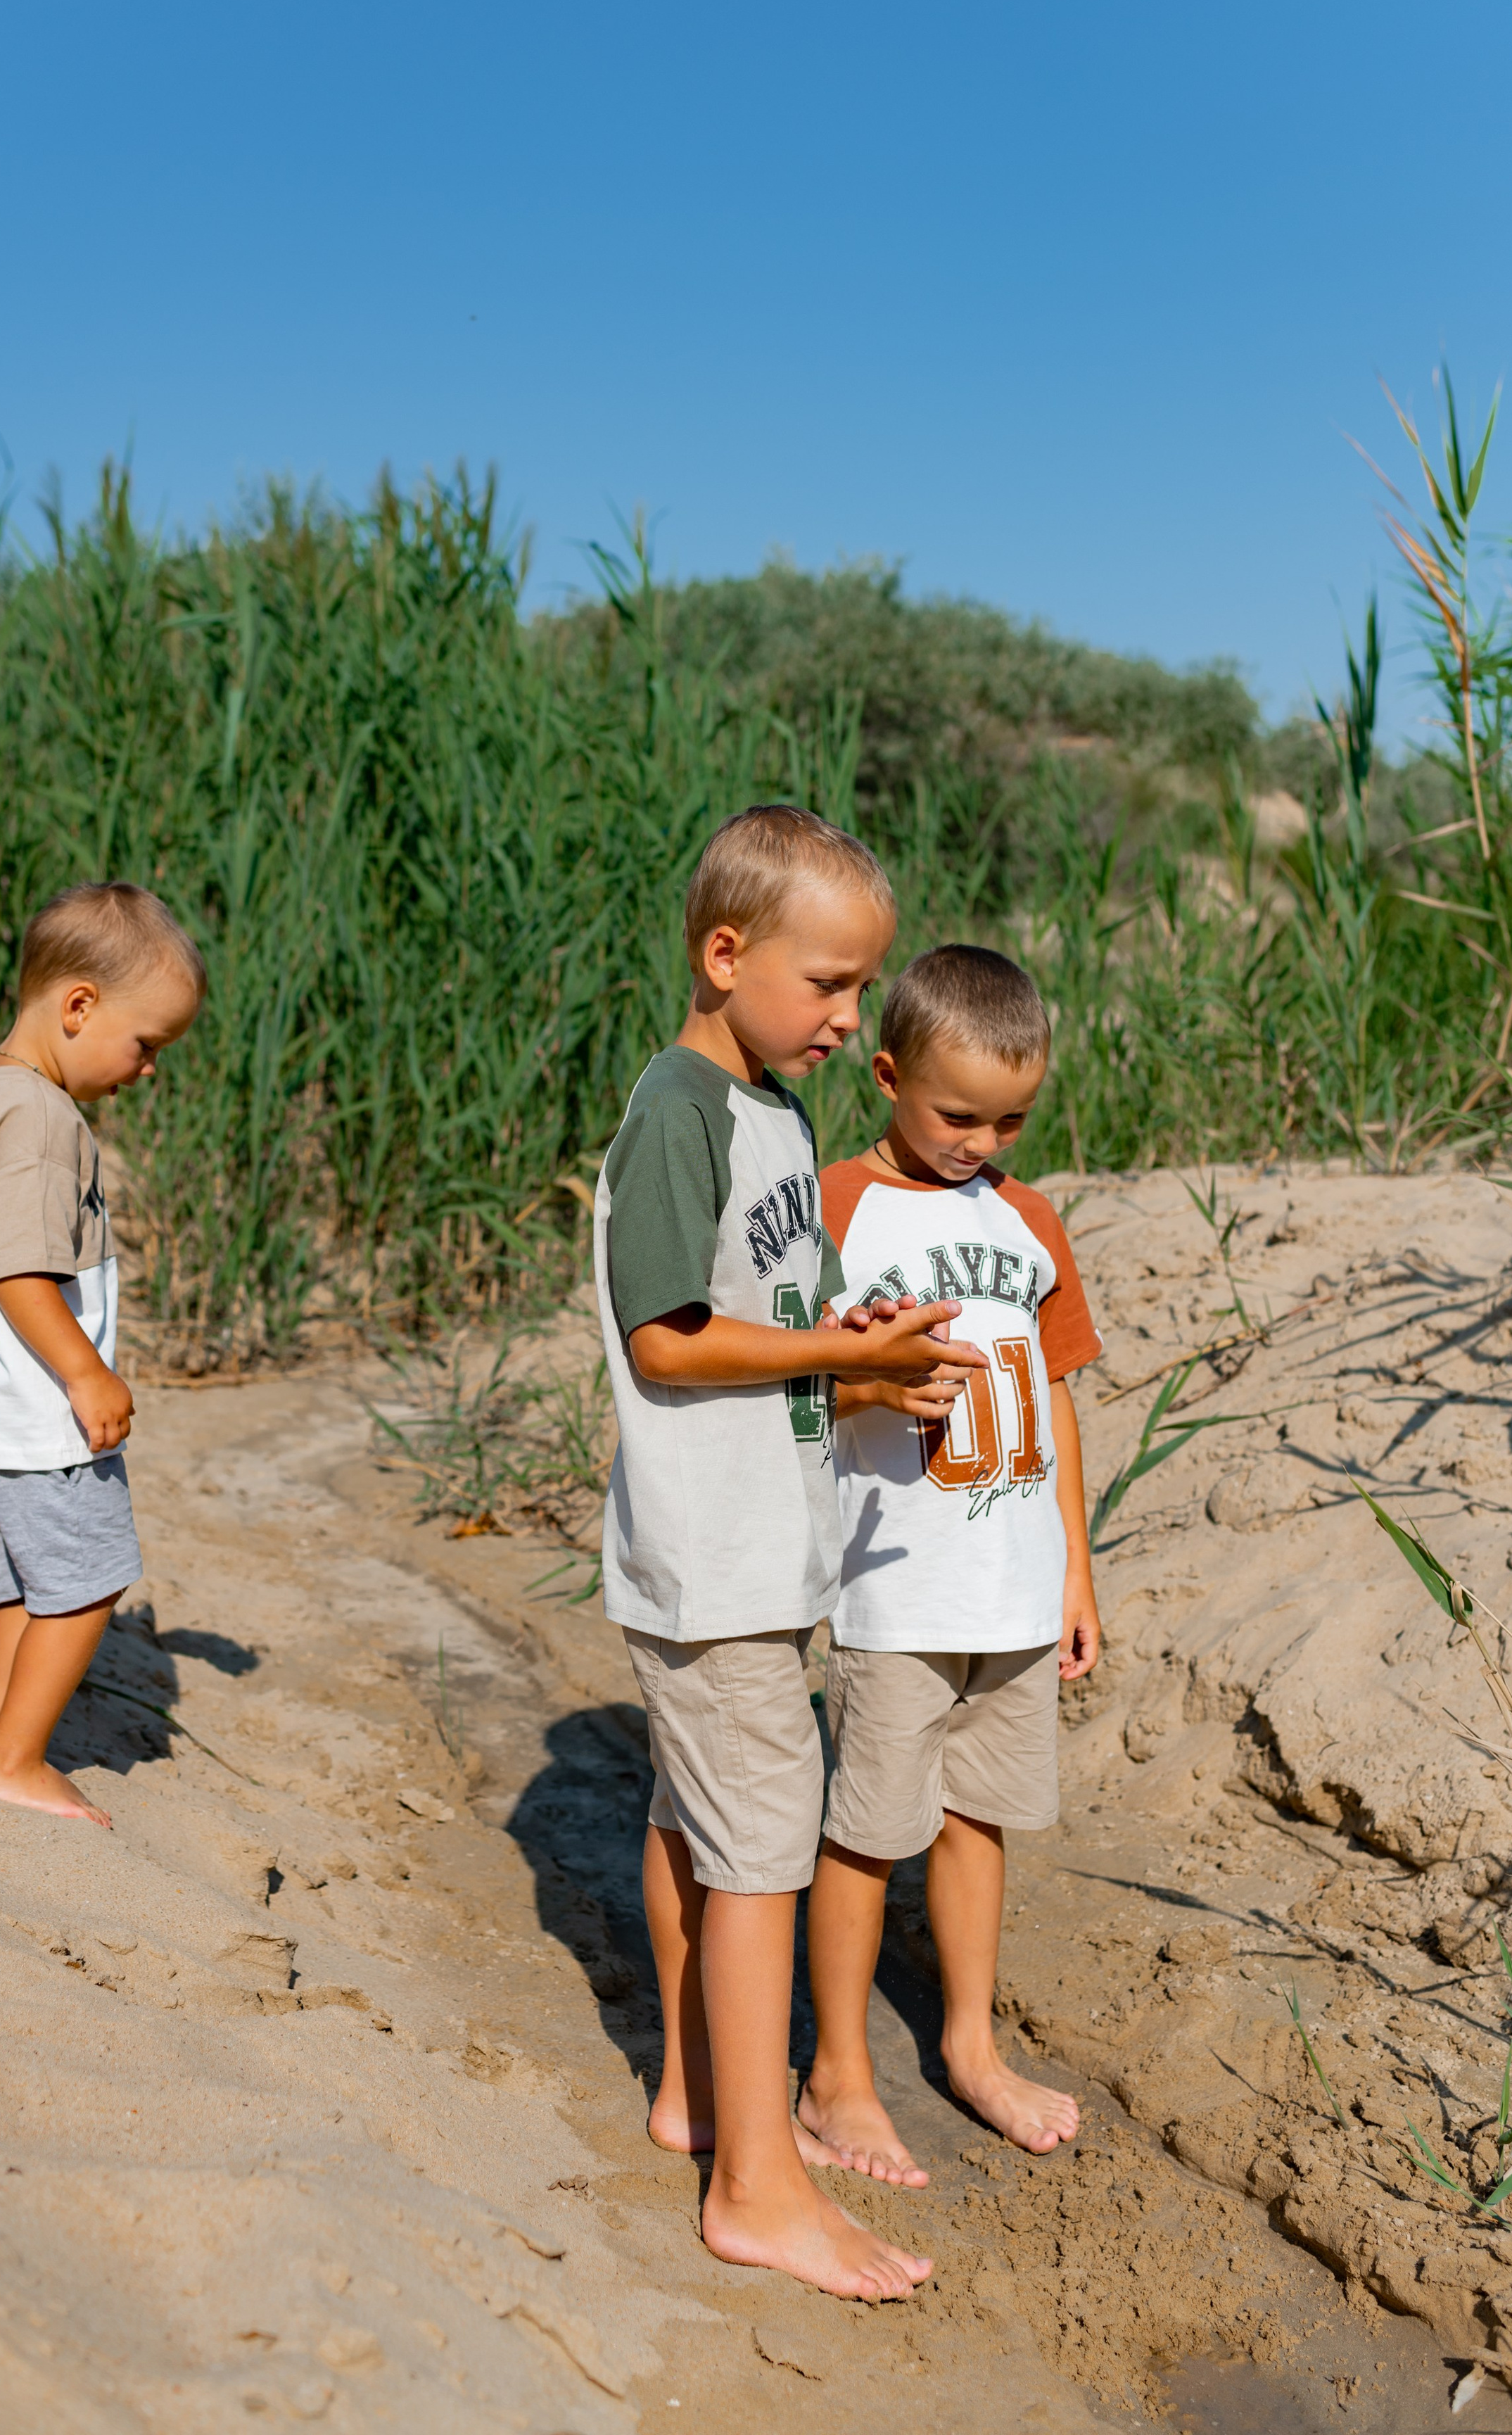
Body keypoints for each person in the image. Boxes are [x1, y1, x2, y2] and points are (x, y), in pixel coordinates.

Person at [594, 805, 984, 2301]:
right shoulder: (678, 1111)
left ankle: (697, 2096)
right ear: (723, 955)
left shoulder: (771, 1115)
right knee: (761, 1854)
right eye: (827, 984)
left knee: (696, 1821)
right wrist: (836, 1350)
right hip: (715, 1558)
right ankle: (756, 2184)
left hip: (758, 1544)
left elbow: (763, 1327)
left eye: (861, 987)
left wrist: (860, 1366)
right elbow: (667, 1339)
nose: (848, 1017)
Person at [798, 942, 1101, 2187]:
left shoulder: (1030, 1220)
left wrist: (1076, 1571)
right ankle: (838, 2075)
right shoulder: (835, 1208)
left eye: (1011, 1120)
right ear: (887, 1078)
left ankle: (971, 2048)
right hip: (895, 1589)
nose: (983, 1143)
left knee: (981, 1820)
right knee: (868, 1833)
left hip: (1013, 1588)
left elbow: (1057, 1394)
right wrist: (863, 1377)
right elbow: (782, 1381)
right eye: (958, 1116)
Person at [0, 880, 205, 1827]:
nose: (147, 1069)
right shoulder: (42, 1119)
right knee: (87, 1581)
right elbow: (18, 1269)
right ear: (78, 1005)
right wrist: (87, 1371)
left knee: (20, 1586)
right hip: (31, 1406)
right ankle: (14, 1761)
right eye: (145, 1043)